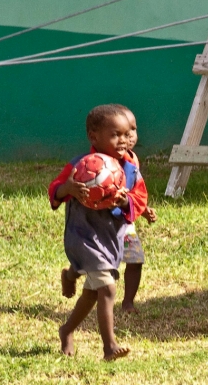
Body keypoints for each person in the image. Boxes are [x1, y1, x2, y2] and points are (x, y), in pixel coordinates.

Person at [48, 104, 147, 360]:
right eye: (116, 134)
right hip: (84, 236)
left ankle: (67, 329)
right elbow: (54, 191)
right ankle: (109, 346)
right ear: (94, 137)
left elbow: (139, 197)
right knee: (107, 288)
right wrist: (68, 188)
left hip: (112, 236)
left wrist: (127, 202)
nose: (124, 140)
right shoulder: (81, 165)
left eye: (129, 133)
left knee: (93, 292)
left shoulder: (129, 167)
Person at [120, 106, 158, 314]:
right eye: (119, 134)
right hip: (101, 227)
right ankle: (72, 275)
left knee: (135, 260)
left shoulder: (132, 160)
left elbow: (135, 189)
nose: (128, 137)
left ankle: (128, 302)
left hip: (125, 224)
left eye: (132, 130)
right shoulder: (99, 164)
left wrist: (142, 209)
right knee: (102, 269)